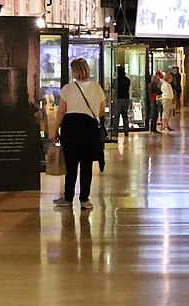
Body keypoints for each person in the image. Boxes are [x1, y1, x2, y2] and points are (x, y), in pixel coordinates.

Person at [53, 56, 106, 209]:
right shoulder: (97, 87)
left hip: (71, 128)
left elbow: (61, 111)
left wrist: (55, 129)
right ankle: (84, 199)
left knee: (71, 165)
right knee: (86, 165)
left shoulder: (68, 88)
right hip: (89, 128)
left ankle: (68, 198)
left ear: (75, 71)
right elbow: (101, 110)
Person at [111, 65, 131, 138]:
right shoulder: (127, 80)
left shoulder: (116, 80)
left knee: (116, 116)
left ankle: (115, 132)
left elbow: (113, 90)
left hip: (118, 99)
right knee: (125, 116)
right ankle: (126, 131)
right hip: (126, 98)